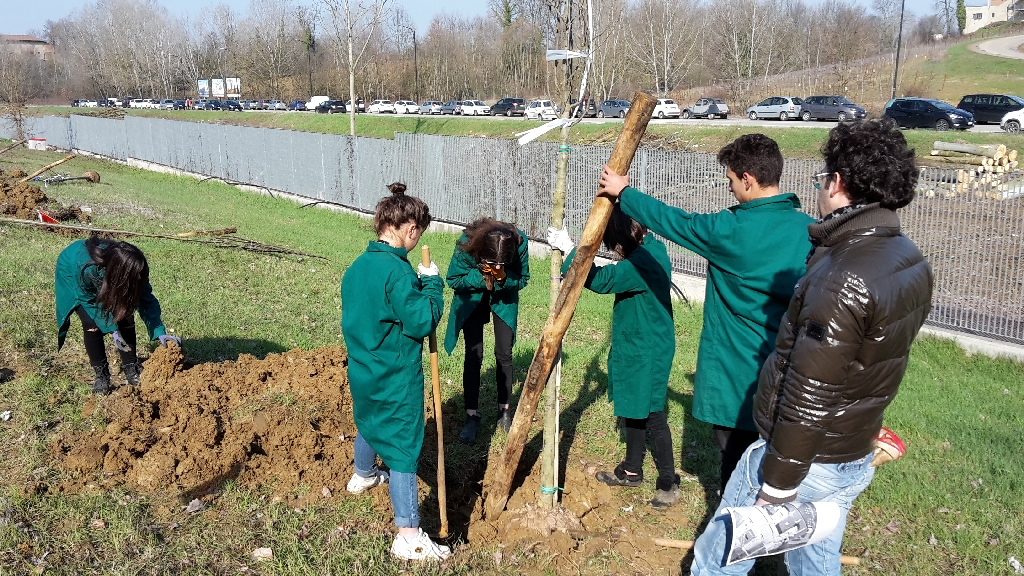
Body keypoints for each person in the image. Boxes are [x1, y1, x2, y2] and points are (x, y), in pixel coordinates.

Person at [689, 118, 934, 575]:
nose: (819, 188)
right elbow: (873, 363)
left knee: (719, 555)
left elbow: (809, 388)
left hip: (804, 457)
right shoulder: (908, 259)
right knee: (815, 558)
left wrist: (778, 485)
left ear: (838, 183)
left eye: (822, 178)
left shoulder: (841, 275)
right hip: (851, 449)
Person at [597, 134, 814, 491]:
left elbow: (676, 222)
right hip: (791, 371)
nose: (730, 189)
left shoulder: (731, 230)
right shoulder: (808, 232)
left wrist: (624, 192)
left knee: (737, 464)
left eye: (730, 180)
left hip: (739, 375)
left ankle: (738, 532)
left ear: (748, 178)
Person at [340, 182, 450, 561]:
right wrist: (433, 285)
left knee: (370, 420)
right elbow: (420, 321)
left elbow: (383, 307)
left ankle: (364, 474)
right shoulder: (399, 274)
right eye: (418, 234)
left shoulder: (358, 267)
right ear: (409, 229)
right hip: (396, 374)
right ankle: (408, 535)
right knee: (403, 445)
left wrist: (414, 285)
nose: (417, 241)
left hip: (364, 369)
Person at [547, 205, 679, 507]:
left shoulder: (644, 261)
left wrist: (571, 249)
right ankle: (632, 470)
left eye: (615, 244)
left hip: (650, 349)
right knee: (634, 405)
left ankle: (668, 481)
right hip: (636, 344)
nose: (614, 250)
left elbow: (603, 280)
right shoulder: (649, 250)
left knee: (653, 412)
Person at [55, 237, 180, 395]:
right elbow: (88, 300)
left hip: (111, 276)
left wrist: (159, 331)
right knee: (91, 324)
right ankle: (102, 375)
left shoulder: (136, 269)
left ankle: (131, 366)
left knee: (125, 315)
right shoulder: (86, 267)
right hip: (73, 274)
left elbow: (145, 298)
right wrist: (112, 328)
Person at [444, 218, 530, 444]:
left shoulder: (519, 242)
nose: (499, 266)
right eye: (494, 262)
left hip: (503, 299)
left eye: (504, 262)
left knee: (504, 353)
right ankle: (472, 415)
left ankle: (504, 412)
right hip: (472, 298)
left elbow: (523, 279)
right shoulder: (467, 243)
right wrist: (482, 276)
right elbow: (454, 280)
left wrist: (503, 278)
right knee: (474, 355)